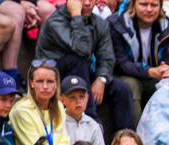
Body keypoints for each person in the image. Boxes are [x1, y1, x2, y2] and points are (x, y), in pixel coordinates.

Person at [36, 0, 136, 131]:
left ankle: (126, 138)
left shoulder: (99, 24)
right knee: (78, 60)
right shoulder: (55, 22)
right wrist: (76, 15)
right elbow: (82, 49)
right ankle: (91, 121)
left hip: (82, 74)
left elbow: (107, 58)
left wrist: (101, 79)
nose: (88, 3)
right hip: (53, 77)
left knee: (121, 88)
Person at [110, 0, 169, 114]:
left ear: (160, 6)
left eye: (154, 5)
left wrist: (167, 68)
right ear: (133, 5)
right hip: (123, 75)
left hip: (155, 75)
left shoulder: (167, 25)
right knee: (132, 86)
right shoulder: (117, 24)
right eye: (144, 4)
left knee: (168, 84)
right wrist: (148, 71)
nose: (149, 9)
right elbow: (119, 62)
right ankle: (133, 131)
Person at [9, 60, 67, 145]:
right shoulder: (22, 111)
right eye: (40, 81)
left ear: (56, 84)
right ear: (31, 83)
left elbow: (66, 144)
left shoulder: (59, 106)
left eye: (50, 81)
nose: (45, 86)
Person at [59, 74, 105, 145]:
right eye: (72, 97)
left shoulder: (93, 126)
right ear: (62, 100)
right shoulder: (56, 122)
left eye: (82, 96)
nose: (78, 101)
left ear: (87, 98)